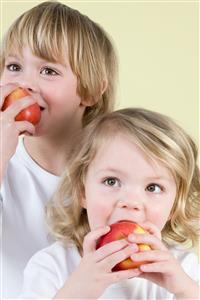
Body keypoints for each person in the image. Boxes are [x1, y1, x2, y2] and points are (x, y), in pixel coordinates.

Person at [0, 1, 118, 297]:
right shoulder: (6, 164)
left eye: (48, 71)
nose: (24, 83)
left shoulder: (117, 171)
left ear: (90, 91)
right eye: (14, 66)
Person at [19, 108, 199, 299]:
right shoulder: (52, 266)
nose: (131, 202)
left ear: (174, 205)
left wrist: (185, 291)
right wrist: (77, 292)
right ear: (82, 191)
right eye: (111, 181)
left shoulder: (181, 268)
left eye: (153, 187)